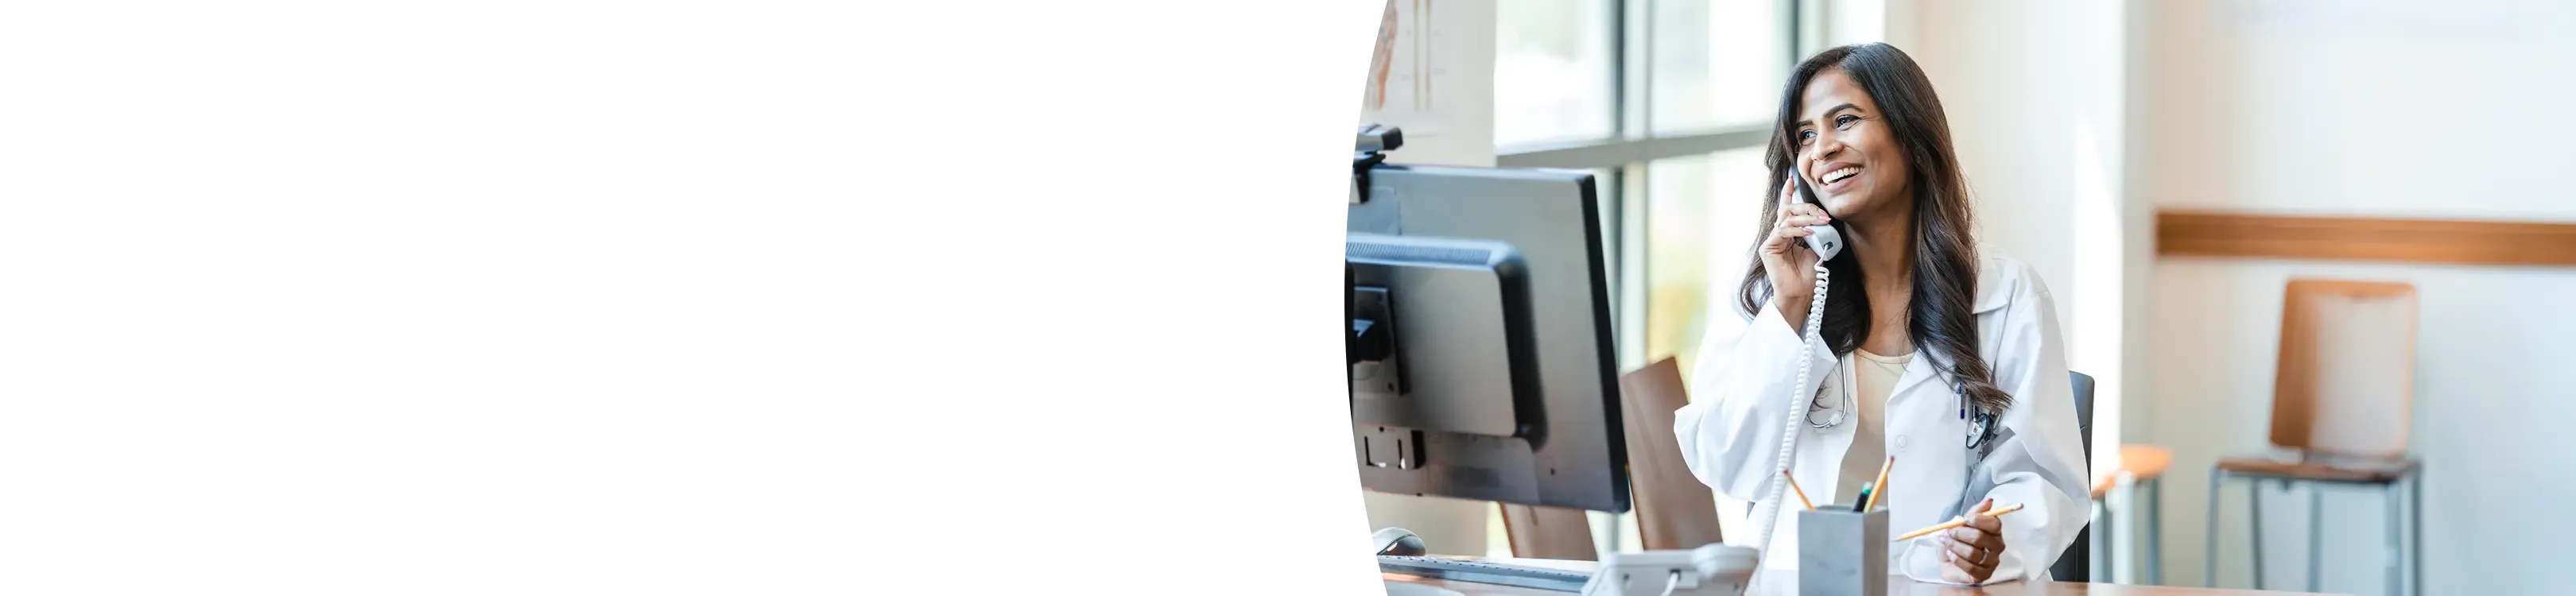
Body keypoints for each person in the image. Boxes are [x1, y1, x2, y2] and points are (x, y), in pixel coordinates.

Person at [1672, 43, 2090, 586]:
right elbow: (1727, 464)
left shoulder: (2008, 295)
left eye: (1843, 120)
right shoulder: (1769, 291)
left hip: (1944, 587)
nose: (1821, 148)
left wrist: (1992, 538)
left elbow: (2044, 480)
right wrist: (1791, 311)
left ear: (1910, 136)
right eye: (1803, 135)